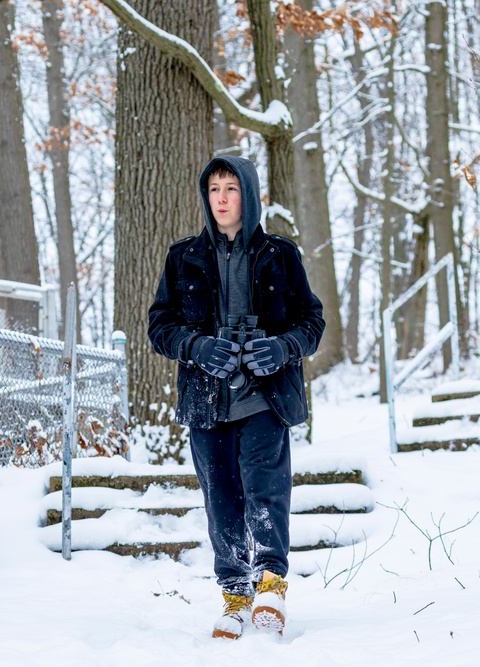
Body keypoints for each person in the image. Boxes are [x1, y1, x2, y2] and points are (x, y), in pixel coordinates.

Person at [147, 156, 325, 639]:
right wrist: (197, 346)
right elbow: (159, 327)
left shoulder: (280, 254)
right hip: (207, 402)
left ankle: (270, 586)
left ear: (248, 193)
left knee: (267, 490)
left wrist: (282, 347)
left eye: (231, 188)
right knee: (221, 499)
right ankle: (235, 596)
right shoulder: (183, 256)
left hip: (265, 397)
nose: (222, 199)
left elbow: (312, 322)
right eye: (214, 190)